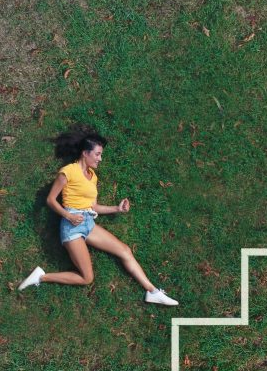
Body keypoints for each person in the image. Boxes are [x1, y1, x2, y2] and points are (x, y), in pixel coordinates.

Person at [18, 123, 179, 306]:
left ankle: (152, 291)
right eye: (97, 154)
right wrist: (69, 216)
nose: (100, 159)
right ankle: (41, 277)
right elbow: (50, 200)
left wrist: (117, 209)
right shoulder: (68, 172)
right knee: (87, 278)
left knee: (124, 250)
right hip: (72, 226)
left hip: (88, 222)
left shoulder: (92, 176)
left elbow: (93, 206)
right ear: (85, 153)